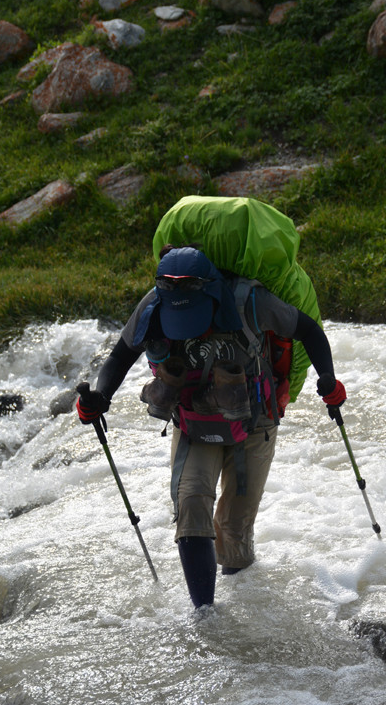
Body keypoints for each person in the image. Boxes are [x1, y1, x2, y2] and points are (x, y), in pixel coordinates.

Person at [76, 243, 346, 609]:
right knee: (190, 506)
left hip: (253, 420)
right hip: (192, 421)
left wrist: (328, 380)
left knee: (234, 532)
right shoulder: (154, 305)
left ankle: (244, 600)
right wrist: (99, 397)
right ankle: (205, 618)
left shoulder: (248, 301)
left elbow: (309, 331)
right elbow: (121, 355)